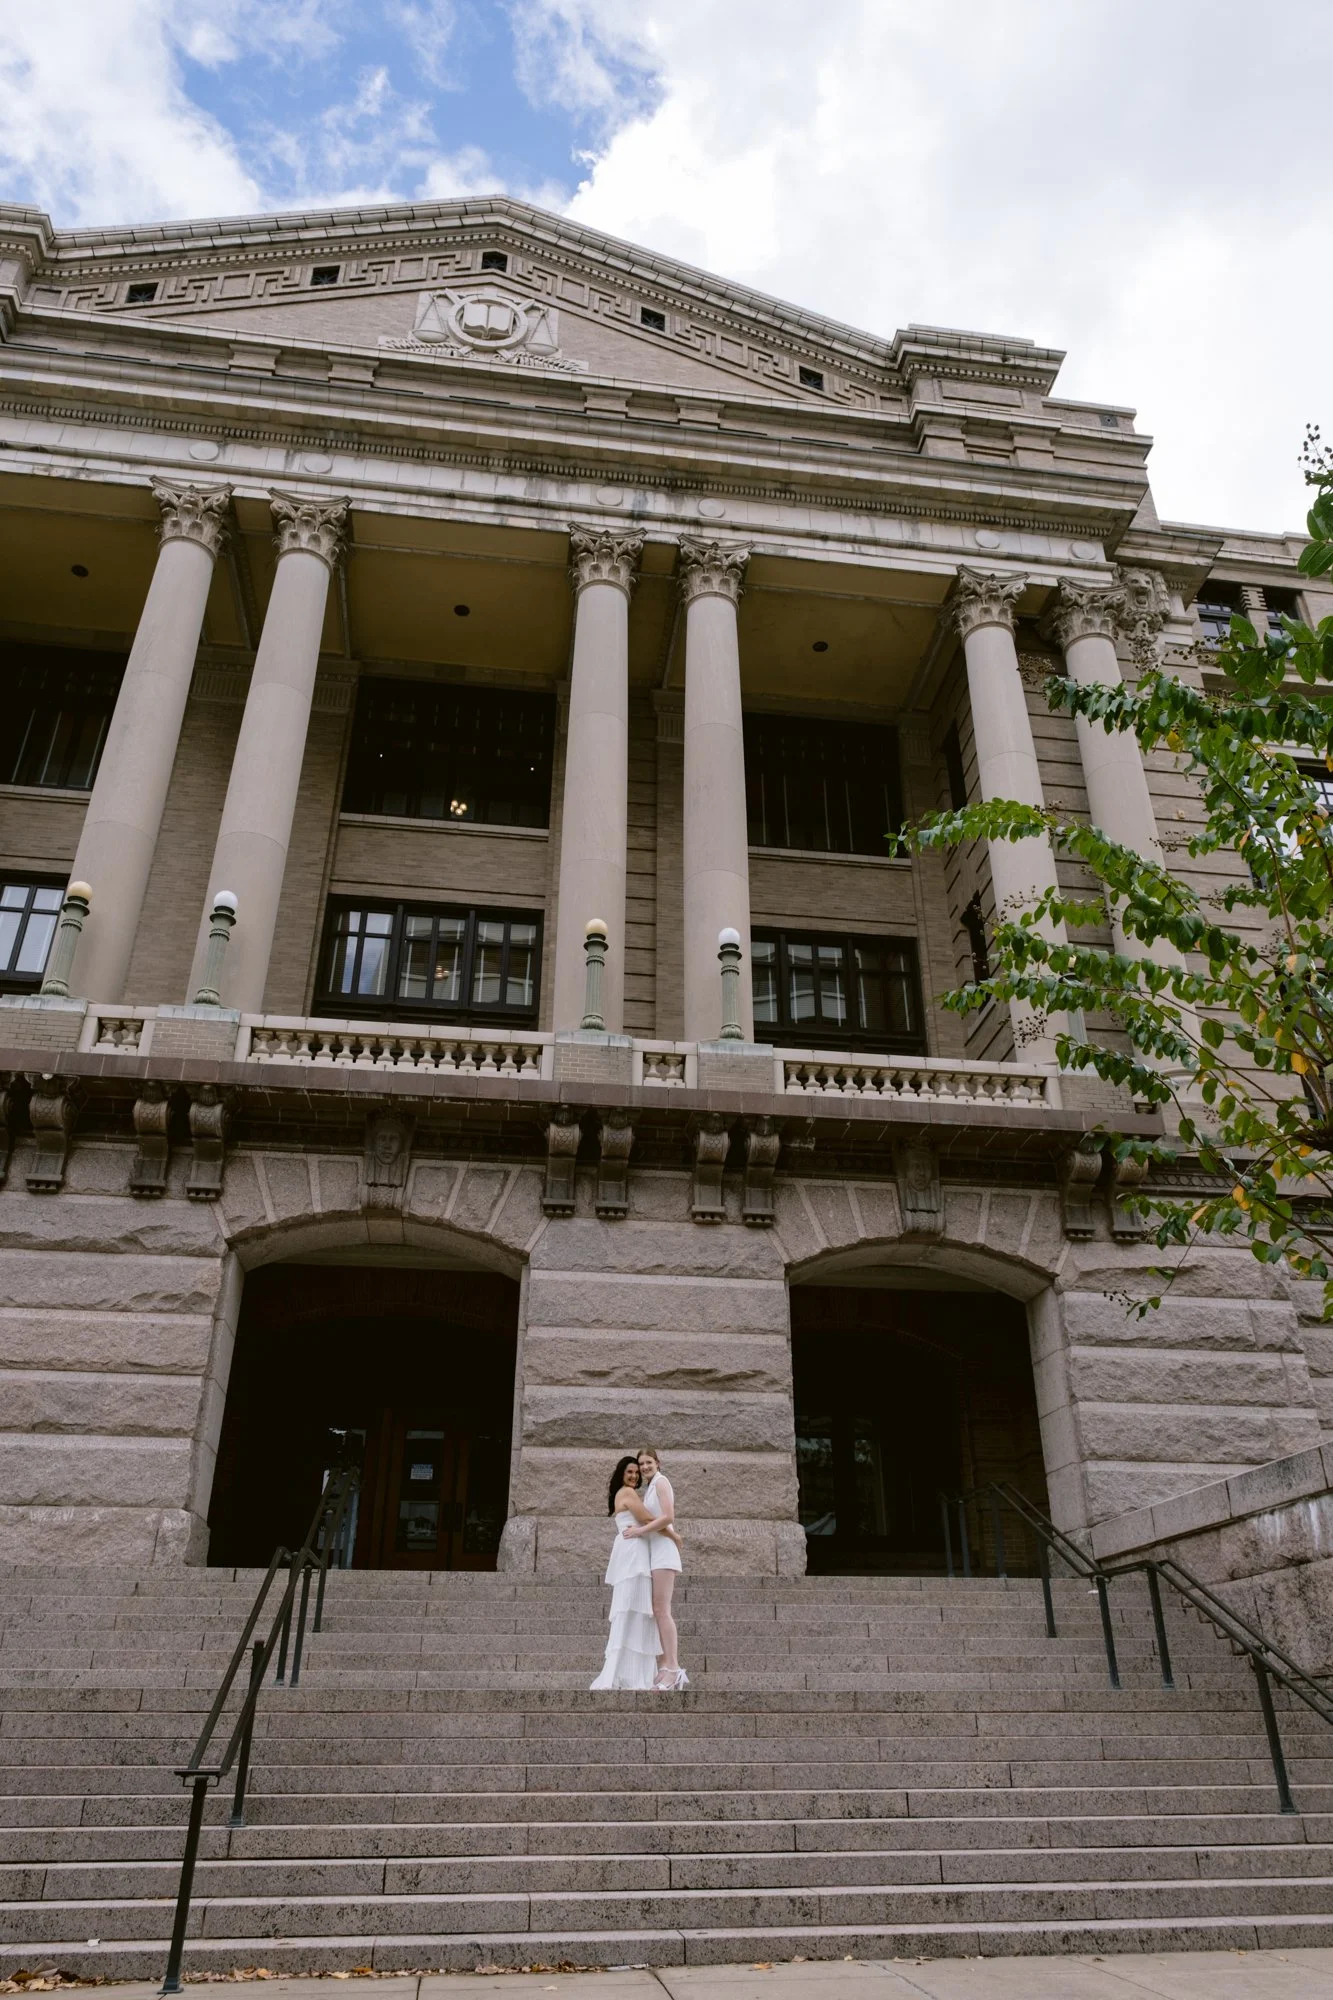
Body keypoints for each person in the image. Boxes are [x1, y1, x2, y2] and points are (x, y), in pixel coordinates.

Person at [589, 1456, 662, 1691]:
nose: (634, 1476)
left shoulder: (625, 1494)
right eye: (630, 1472)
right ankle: (626, 1674)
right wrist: (669, 1525)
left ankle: (631, 1673)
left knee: (636, 1611)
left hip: (632, 1551)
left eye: (636, 1473)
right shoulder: (628, 1494)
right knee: (634, 1610)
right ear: (622, 1473)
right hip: (633, 1555)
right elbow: (648, 1519)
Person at [623, 1447, 687, 1691]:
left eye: (648, 1462)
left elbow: (668, 1516)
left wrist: (639, 1531)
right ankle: (663, 1666)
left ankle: (673, 1668)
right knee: (656, 1610)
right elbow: (658, 1522)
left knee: (662, 1610)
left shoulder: (661, 1482)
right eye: (641, 1464)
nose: (645, 1467)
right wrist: (674, 1536)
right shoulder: (650, 1487)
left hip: (663, 1555)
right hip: (655, 1554)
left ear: (658, 1463)